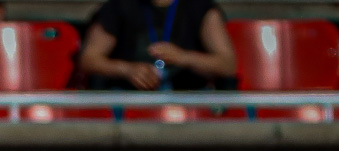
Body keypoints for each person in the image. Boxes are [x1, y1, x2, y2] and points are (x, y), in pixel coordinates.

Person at [79, 0, 237, 91]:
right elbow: (89, 59)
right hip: (129, 98)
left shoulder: (200, 7)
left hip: (188, 97)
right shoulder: (119, 6)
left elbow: (227, 64)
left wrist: (184, 58)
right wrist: (127, 70)